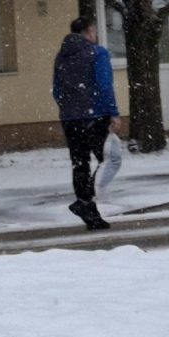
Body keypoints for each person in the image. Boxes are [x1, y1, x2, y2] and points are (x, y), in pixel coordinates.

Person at [53, 16, 121, 230]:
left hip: (70, 117)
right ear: (89, 31)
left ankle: (88, 209)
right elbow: (104, 84)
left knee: (80, 163)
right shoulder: (97, 53)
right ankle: (86, 200)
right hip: (95, 115)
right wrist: (112, 112)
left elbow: (56, 89)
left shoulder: (61, 56)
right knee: (111, 158)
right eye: (95, 31)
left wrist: (69, 108)